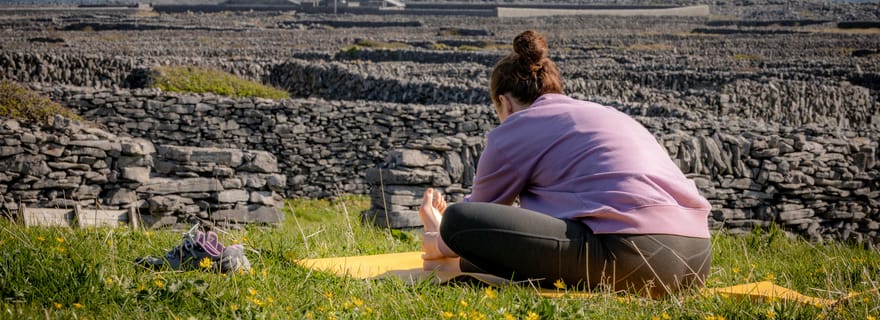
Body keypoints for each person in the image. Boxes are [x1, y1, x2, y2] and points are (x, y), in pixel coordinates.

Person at [418, 30, 712, 298]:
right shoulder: (604, 113)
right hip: (697, 260)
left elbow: (482, 212)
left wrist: (440, 240)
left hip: (632, 256)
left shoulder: (516, 126)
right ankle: (452, 251)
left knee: (459, 220)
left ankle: (440, 241)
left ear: (504, 103)